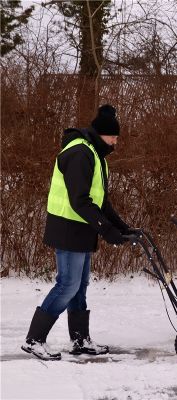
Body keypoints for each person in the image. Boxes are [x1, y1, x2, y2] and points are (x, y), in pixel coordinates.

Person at [21, 104, 136, 361]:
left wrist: (121, 227)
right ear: (101, 134)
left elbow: (101, 200)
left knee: (79, 285)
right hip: (68, 228)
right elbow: (80, 201)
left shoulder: (95, 155)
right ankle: (34, 340)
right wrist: (106, 230)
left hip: (82, 228)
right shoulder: (80, 153)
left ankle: (80, 340)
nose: (116, 143)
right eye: (113, 137)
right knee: (68, 285)